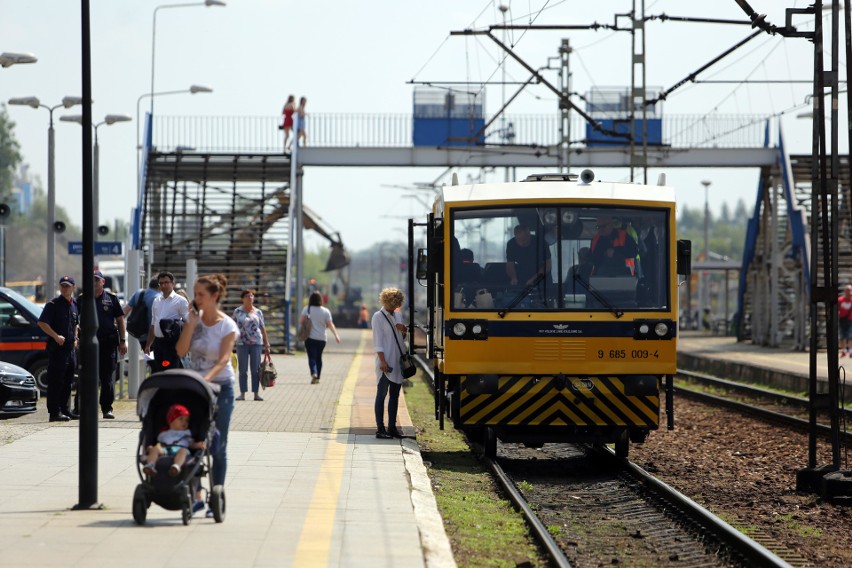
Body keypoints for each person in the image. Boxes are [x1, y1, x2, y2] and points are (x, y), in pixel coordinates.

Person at [176, 273, 239, 517]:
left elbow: (224, 359)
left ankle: (216, 495)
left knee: (217, 445)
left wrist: (208, 378)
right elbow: (181, 350)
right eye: (195, 293)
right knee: (192, 441)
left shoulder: (227, 325)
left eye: (201, 294)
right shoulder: (195, 320)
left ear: (214, 296)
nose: (196, 298)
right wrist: (190, 325)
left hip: (221, 387)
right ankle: (197, 496)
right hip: (195, 387)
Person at [37, 275, 79, 422]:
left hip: (70, 350)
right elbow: (42, 323)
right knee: (56, 382)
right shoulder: (53, 305)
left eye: (68, 286)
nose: (65, 288)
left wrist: (75, 338)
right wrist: (55, 336)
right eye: (63, 285)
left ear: (73, 287)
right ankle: (54, 412)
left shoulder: (74, 304)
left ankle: (65, 410)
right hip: (58, 350)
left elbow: (75, 324)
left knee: (68, 381)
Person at [92, 270, 128, 420]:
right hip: (88, 345)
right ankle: (80, 407)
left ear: (102, 282)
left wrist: (122, 341)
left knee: (107, 378)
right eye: (92, 280)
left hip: (107, 343)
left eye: (97, 280)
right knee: (86, 377)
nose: (94, 283)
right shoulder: (82, 299)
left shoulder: (111, 299)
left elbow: (120, 321)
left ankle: (107, 408)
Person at [372, 287, 406, 439]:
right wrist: (382, 361)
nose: (394, 307)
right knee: (381, 394)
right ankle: (380, 429)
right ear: (385, 301)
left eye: (396, 304)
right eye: (392, 304)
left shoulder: (398, 314)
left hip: (397, 360)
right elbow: (378, 341)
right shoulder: (378, 317)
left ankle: (392, 428)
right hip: (385, 361)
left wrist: (404, 329)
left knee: (395, 395)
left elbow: (400, 338)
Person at [142, 403, 206, 477]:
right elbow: (159, 444)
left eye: (187, 420)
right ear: (171, 420)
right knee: (155, 448)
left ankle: (176, 466)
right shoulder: (164, 433)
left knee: (184, 451)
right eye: (181, 419)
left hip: (180, 449)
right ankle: (150, 465)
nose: (184, 422)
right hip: (165, 449)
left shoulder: (186, 433)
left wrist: (198, 445)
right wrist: (151, 448)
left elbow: (191, 444)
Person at [144, 271, 190, 373]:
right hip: (158, 343)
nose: (164, 285)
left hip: (172, 344)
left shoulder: (180, 301)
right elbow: (153, 324)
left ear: (173, 283)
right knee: (159, 372)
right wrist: (148, 344)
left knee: (171, 373)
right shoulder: (156, 301)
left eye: (166, 282)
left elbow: (189, 323)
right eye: (161, 283)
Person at [232, 289, 271, 400]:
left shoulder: (258, 312)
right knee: (243, 370)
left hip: (256, 343)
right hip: (241, 343)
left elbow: (263, 328)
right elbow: (231, 327)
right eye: (248, 296)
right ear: (243, 298)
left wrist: (266, 343)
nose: (250, 298)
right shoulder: (237, 312)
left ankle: (256, 393)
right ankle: (242, 393)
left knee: (256, 370)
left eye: (252, 296)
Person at [299, 291, 341, 384]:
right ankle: (318, 378)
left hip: (310, 338)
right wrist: (336, 335)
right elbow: (330, 324)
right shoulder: (325, 311)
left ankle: (314, 373)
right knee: (319, 358)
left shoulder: (307, 309)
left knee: (312, 357)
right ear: (320, 300)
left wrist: (308, 321)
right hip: (322, 339)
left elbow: (301, 321)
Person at [506, 224, 552, 291]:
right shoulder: (511, 244)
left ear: (529, 235)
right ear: (515, 236)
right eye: (520, 240)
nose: (523, 242)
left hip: (542, 278)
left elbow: (548, 265)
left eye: (525, 239)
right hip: (523, 278)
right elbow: (510, 265)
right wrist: (513, 277)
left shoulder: (541, 242)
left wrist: (534, 279)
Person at [124, 278, 161, 348]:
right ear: (159, 286)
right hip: (154, 338)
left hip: (140, 334)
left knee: (148, 357)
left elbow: (125, 311)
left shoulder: (139, 293)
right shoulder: (159, 298)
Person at [839, 285, 852, 357]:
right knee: (842, 335)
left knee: (850, 336)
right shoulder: (840, 300)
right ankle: (843, 351)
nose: (849, 292)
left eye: (850, 290)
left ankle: (850, 351)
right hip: (842, 319)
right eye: (847, 290)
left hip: (850, 320)